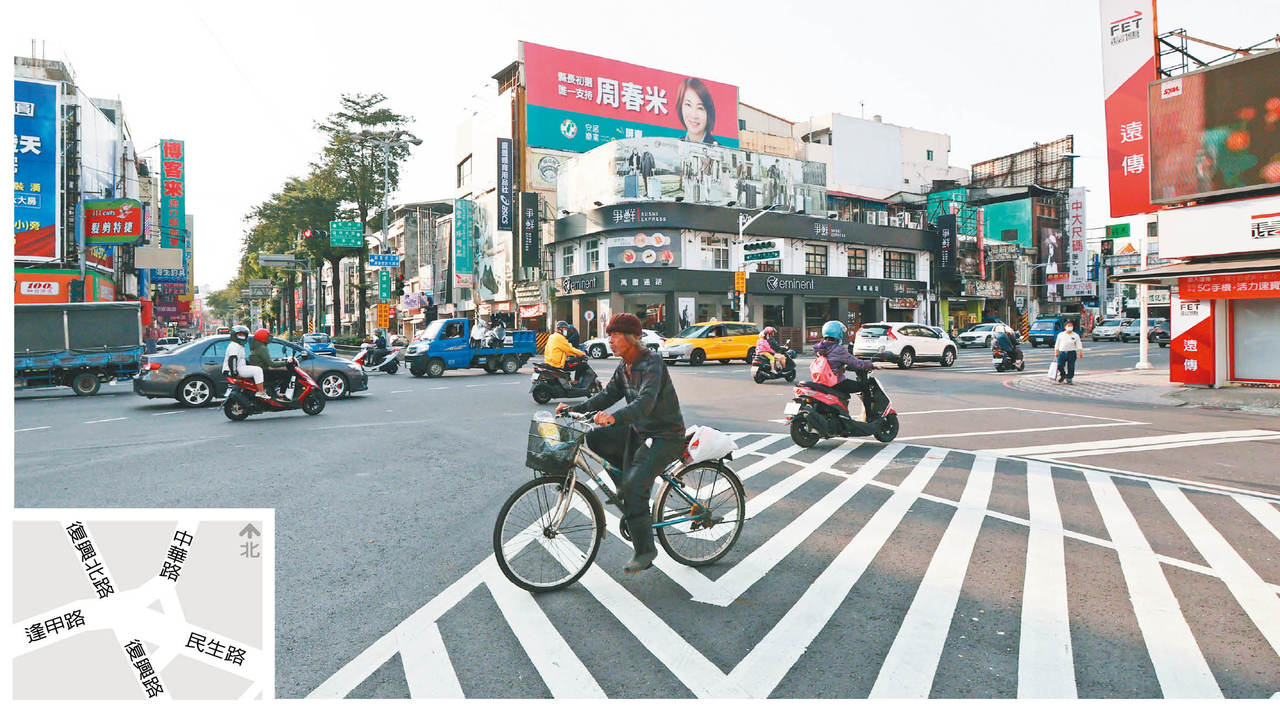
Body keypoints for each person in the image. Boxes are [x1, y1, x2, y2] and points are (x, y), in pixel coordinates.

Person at [557, 313, 685, 574]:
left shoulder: (652, 362)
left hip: (665, 435)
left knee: (635, 485)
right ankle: (627, 487)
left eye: (615, 335)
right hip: (640, 430)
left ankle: (645, 549)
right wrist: (573, 409)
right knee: (594, 437)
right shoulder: (624, 366)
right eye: (610, 335)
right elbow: (605, 396)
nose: (610, 340)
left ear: (632, 338)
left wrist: (614, 418)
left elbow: (645, 402)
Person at [812, 320, 877, 402]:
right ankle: (870, 414)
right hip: (835, 382)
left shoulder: (820, 348)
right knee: (864, 387)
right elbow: (857, 363)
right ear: (838, 333)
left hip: (822, 382)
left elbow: (832, 363)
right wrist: (872, 364)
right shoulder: (838, 349)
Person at [221, 325, 269, 399]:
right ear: (234, 335)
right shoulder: (235, 345)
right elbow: (232, 359)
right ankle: (261, 392)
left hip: (239, 368)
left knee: (257, 369)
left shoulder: (239, 346)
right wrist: (234, 373)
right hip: (236, 369)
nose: (242, 336)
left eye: (243, 335)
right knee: (258, 370)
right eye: (239, 334)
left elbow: (242, 359)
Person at [247, 328, 290, 398]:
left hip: (261, 370)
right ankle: (282, 394)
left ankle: (273, 392)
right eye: (267, 336)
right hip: (263, 371)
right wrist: (286, 362)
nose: (269, 337)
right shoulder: (262, 348)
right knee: (286, 374)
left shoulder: (257, 347)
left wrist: (278, 360)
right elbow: (271, 364)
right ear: (263, 337)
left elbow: (265, 361)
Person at [675, 78, 718, 145]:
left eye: (700, 108)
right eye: (688, 105)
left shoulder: (718, 150)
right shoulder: (676, 145)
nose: (694, 115)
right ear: (680, 106)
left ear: (708, 112)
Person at [546, 321, 587, 385]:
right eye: (565, 329)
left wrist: (572, 354)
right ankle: (576, 382)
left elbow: (562, 349)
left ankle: (569, 381)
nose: (566, 331)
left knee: (571, 361)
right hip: (557, 363)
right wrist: (582, 354)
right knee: (581, 365)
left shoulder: (552, 336)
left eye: (566, 329)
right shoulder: (560, 338)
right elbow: (569, 349)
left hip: (550, 362)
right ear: (560, 329)